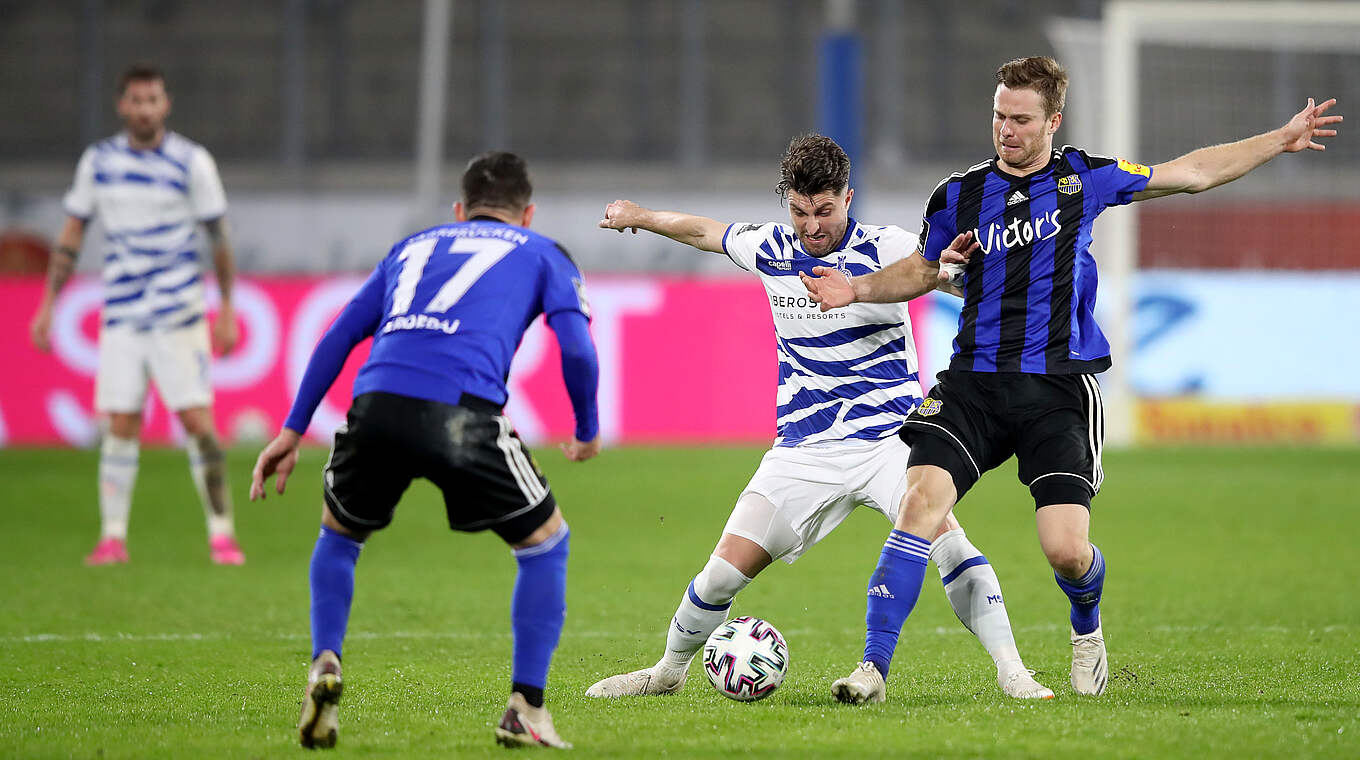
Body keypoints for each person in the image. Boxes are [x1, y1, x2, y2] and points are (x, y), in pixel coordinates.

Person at [804, 56, 1342, 700]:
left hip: (1057, 389)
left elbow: (1192, 173)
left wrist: (1279, 140)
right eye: (999, 116)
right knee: (920, 503)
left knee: (1064, 549)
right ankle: (873, 670)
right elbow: (923, 270)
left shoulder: (1086, 178)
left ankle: (1086, 627)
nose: (1006, 130)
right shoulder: (956, 195)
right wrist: (855, 289)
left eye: (1021, 119)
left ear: (1053, 120)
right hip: (974, 381)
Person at [587, 134, 1053, 703]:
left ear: (848, 198)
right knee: (720, 576)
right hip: (802, 449)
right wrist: (641, 216)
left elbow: (952, 277)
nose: (813, 226)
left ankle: (1013, 672)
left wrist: (962, 275)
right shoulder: (770, 247)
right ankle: (666, 673)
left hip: (892, 441)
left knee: (950, 545)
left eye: (825, 211)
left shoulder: (889, 248)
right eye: (801, 211)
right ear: (788, 203)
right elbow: (703, 231)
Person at [250, 151, 599, 750]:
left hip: (376, 403)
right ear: (528, 213)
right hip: (462, 412)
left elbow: (340, 333)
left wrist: (292, 427)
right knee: (546, 544)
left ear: (460, 210)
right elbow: (576, 349)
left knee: (339, 535)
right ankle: (526, 708)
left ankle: (324, 664)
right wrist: (587, 425)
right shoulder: (543, 252)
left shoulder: (412, 247)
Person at [28, 63, 245, 566]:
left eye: (153, 100)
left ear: (165, 104)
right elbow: (72, 234)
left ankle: (221, 534)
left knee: (197, 420)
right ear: (122, 105)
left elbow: (219, 238)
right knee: (121, 421)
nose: (145, 109)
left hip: (178, 312)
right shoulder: (98, 162)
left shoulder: (192, 162)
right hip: (122, 314)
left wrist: (228, 306)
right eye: (136, 100)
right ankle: (112, 538)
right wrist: (47, 303)